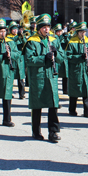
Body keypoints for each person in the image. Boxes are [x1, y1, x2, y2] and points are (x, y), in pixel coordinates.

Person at [24, 13, 65, 142]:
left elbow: (62, 58)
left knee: (53, 105)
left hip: (51, 77)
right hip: (38, 77)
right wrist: (44, 58)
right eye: (44, 27)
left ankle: (53, 132)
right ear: (39, 28)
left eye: (48, 27)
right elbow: (29, 59)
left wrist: (56, 53)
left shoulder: (54, 40)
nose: (47, 29)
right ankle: (36, 131)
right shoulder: (32, 41)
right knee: (37, 105)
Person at [66, 21, 88, 117]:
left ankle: (87, 111)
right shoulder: (72, 42)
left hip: (86, 70)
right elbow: (68, 56)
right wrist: (80, 57)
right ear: (77, 32)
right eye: (81, 32)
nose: (83, 34)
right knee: (74, 90)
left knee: (86, 90)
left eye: (84, 32)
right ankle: (72, 110)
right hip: (75, 69)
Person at [7, 21, 25, 99]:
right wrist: (18, 37)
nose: (15, 31)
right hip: (12, 59)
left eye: (16, 29)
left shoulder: (20, 37)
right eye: (13, 29)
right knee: (10, 78)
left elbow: (25, 44)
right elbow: (12, 42)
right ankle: (9, 93)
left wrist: (23, 37)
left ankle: (22, 94)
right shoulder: (8, 38)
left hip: (20, 59)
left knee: (21, 78)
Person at [53, 24, 69, 95]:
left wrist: (66, 38)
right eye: (57, 31)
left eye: (60, 31)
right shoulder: (54, 38)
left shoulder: (64, 37)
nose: (59, 33)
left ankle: (65, 90)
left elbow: (69, 44)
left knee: (66, 75)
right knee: (55, 75)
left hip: (64, 57)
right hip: (57, 57)